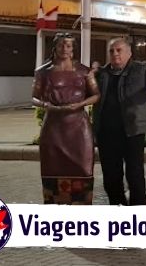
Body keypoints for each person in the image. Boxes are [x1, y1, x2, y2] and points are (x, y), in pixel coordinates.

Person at [94, 37, 146, 205]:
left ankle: (138, 215)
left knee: (135, 175)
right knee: (111, 177)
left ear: (129, 53)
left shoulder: (142, 70)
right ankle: (118, 213)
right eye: (111, 51)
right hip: (106, 134)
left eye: (119, 50)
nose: (115, 54)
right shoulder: (101, 74)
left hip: (133, 131)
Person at [31, 33, 100, 204]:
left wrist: (80, 104)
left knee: (82, 169)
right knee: (52, 168)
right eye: (61, 45)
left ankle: (81, 211)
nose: (64, 49)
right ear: (55, 47)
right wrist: (46, 105)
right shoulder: (43, 72)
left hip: (78, 127)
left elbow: (96, 94)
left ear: (73, 49)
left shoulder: (84, 71)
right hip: (53, 127)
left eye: (68, 46)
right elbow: (34, 97)